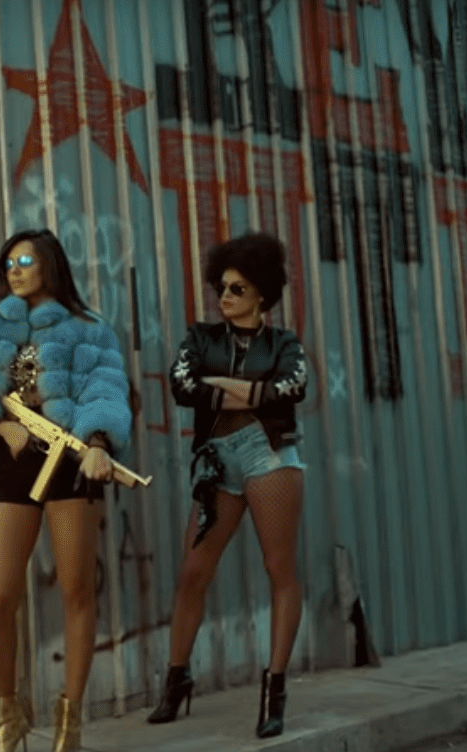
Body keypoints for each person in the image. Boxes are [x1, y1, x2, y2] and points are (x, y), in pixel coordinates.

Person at [0, 229, 133, 752]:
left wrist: (99, 442)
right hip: (13, 464)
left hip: (72, 464)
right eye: (9, 262)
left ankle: (69, 723)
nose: (14, 271)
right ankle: (8, 713)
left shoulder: (90, 329)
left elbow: (107, 389)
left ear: (50, 266)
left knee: (77, 590)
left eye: (25, 261)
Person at [147, 233, 308, 738]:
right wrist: (254, 393)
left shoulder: (284, 344)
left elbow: (292, 387)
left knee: (279, 569)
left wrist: (218, 387)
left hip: (268, 454)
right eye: (222, 288)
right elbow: (181, 386)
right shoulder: (200, 338)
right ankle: (177, 680)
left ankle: (274, 690)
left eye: (238, 289)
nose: (226, 297)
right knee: (193, 572)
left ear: (262, 293)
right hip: (216, 463)